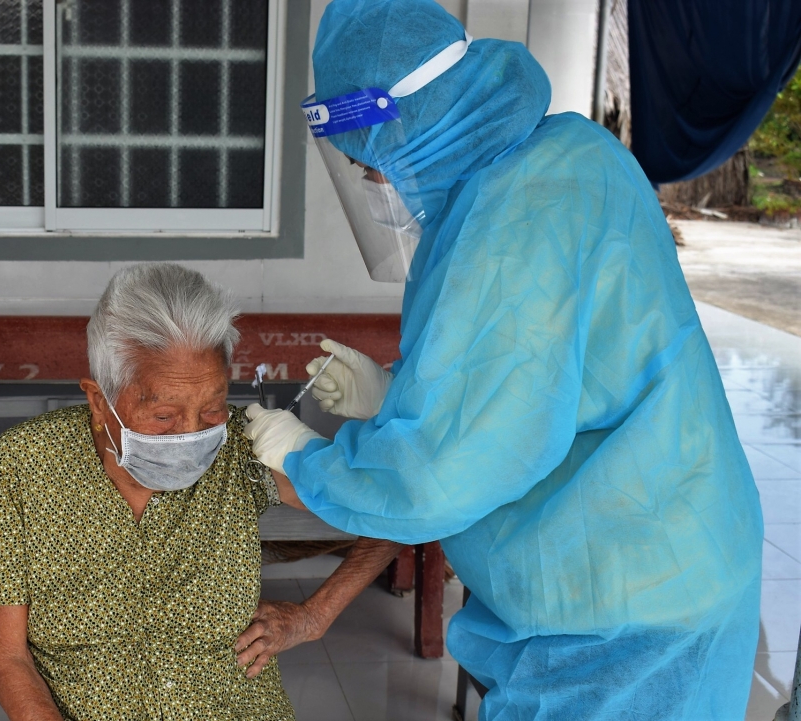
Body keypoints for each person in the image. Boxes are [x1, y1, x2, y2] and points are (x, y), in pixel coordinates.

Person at [243, 1, 764, 719]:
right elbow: (555, 380)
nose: (370, 184)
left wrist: (304, 461)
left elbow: (437, 475)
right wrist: (398, 397)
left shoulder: (510, 223)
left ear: (407, 129)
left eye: (368, 163)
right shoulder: (568, 156)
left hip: (621, 618)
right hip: (677, 552)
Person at [0, 262, 397, 721]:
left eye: (211, 408)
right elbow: (7, 655)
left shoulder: (245, 447)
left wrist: (314, 617)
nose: (191, 433)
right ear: (98, 401)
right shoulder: (27, 461)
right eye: (164, 416)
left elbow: (398, 508)